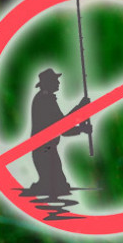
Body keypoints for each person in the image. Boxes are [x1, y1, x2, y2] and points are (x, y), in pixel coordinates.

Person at [21, 68, 91, 199]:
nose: (58, 82)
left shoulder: (46, 99)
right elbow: (62, 127)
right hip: (43, 151)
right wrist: (80, 111)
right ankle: (40, 187)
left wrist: (80, 118)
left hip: (48, 150)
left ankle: (42, 185)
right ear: (48, 83)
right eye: (55, 80)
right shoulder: (45, 101)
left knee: (61, 187)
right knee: (57, 189)